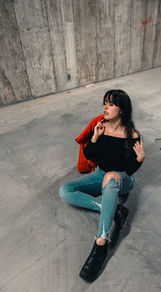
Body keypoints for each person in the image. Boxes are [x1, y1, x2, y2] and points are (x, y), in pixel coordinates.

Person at [59, 89, 145, 282]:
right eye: (105, 102)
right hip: (99, 174)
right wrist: (95, 137)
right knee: (65, 190)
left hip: (121, 178)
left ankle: (101, 242)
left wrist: (139, 159)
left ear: (122, 110)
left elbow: (130, 170)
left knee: (111, 178)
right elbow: (90, 155)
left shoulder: (132, 134)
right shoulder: (101, 127)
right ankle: (116, 211)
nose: (105, 107)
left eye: (111, 104)